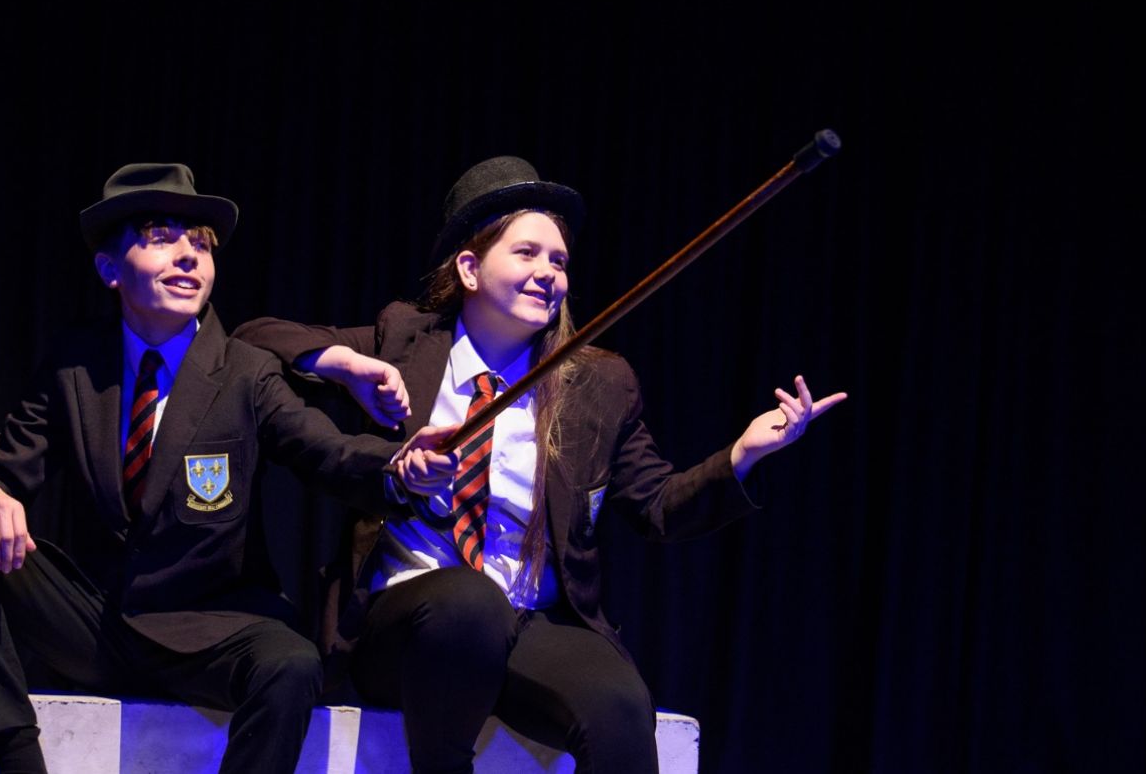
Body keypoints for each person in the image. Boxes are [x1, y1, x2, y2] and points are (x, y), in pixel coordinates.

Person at [233, 156, 846, 773]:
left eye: (559, 261)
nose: (548, 273)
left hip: (528, 622)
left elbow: (658, 507)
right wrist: (344, 365)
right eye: (526, 253)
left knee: (619, 705)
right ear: (469, 268)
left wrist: (743, 455)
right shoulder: (403, 341)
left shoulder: (597, 384)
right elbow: (256, 339)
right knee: (469, 603)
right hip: (408, 628)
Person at [0, 162, 456, 774]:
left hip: (211, 630)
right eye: (161, 238)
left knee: (291, 664)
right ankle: (15, 755)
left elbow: (326, 450)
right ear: (110, 269)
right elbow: (8, 462)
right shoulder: (76, 365)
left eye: (201, 244)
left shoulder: (246, 371)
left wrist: (399, 466)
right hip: (99, 624)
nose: (189, 256)